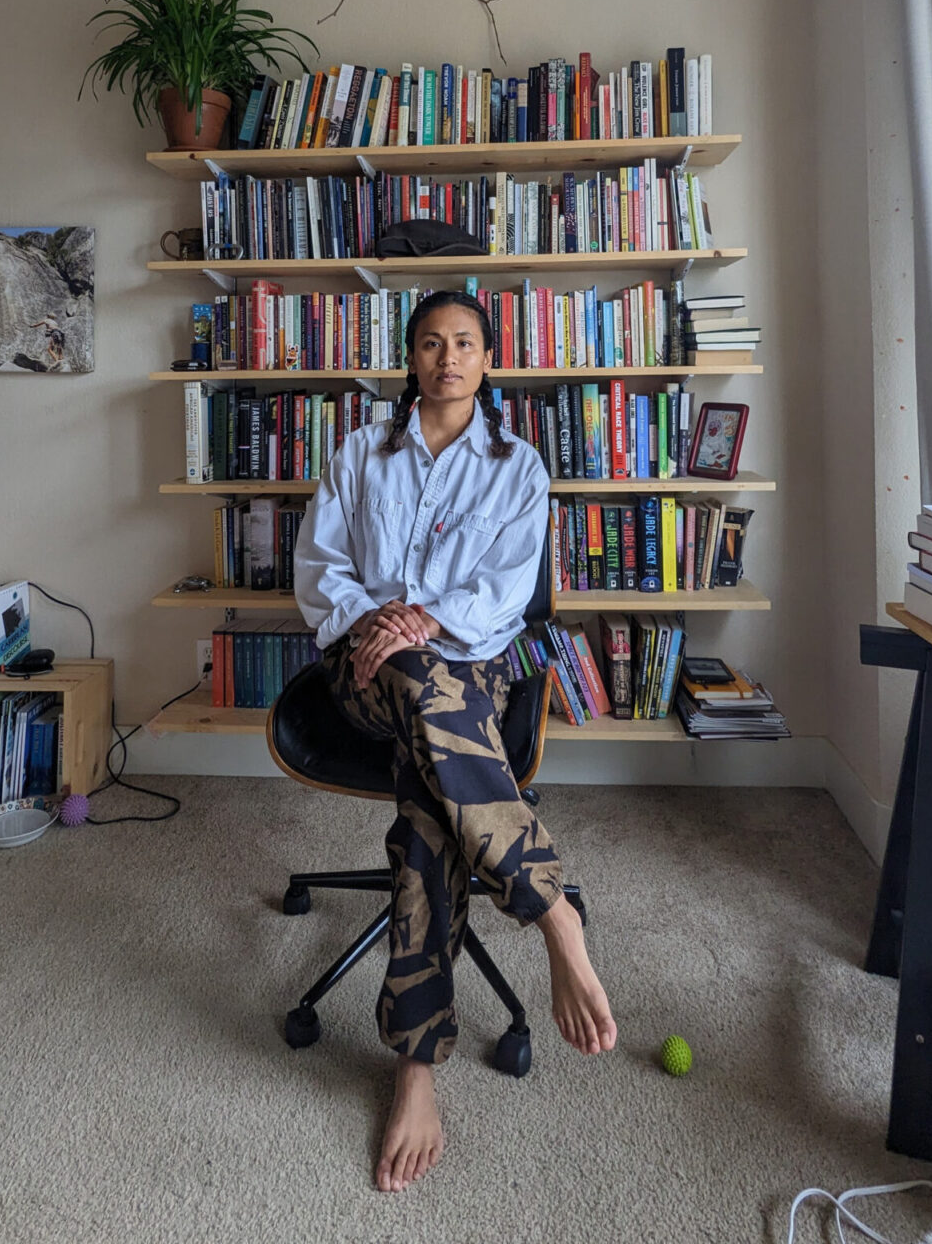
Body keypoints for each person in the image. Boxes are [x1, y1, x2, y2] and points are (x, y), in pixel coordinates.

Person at [294, 290, 617, 1194]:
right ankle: (550, 905)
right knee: (411, 680)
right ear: (412, 357)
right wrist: (382, 625)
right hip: (363, 674)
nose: (447, 357)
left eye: (464, 343)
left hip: (468, 677)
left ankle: (416, 1066)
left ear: (486, 358)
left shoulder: (518, 468)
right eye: (431, 343)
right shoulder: (359, 452)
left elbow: (507, 596)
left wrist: (424, 618)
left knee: (429, 801)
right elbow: (320, 572)